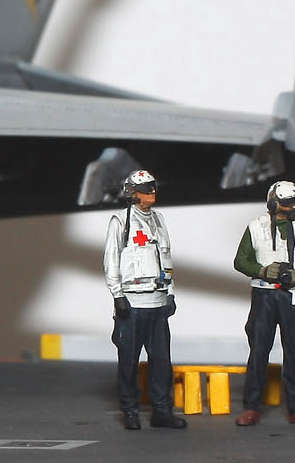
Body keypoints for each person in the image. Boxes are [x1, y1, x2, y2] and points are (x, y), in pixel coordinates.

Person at [233, 179, 295, 426]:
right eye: (286, 203)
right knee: (258, 352)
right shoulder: (256, 227)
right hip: (264, 296)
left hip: (293, 296)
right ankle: (251, 406)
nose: (291, 207)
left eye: (294, 203)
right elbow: (240, 261)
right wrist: (263, 271)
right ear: (273, 202)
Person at [103, 169, 185, 431]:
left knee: (161, 361)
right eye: (146, 190)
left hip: (157, 301)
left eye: (153, 188)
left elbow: (166, 256)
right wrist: (117, 295)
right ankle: (130, 411)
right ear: (132, 193)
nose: (151, 194)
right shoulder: (121, 220)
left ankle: (162, 410)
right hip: (132, 303)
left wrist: (170, 291)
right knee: (128, 361)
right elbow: (111, 259)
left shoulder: (159, 219)